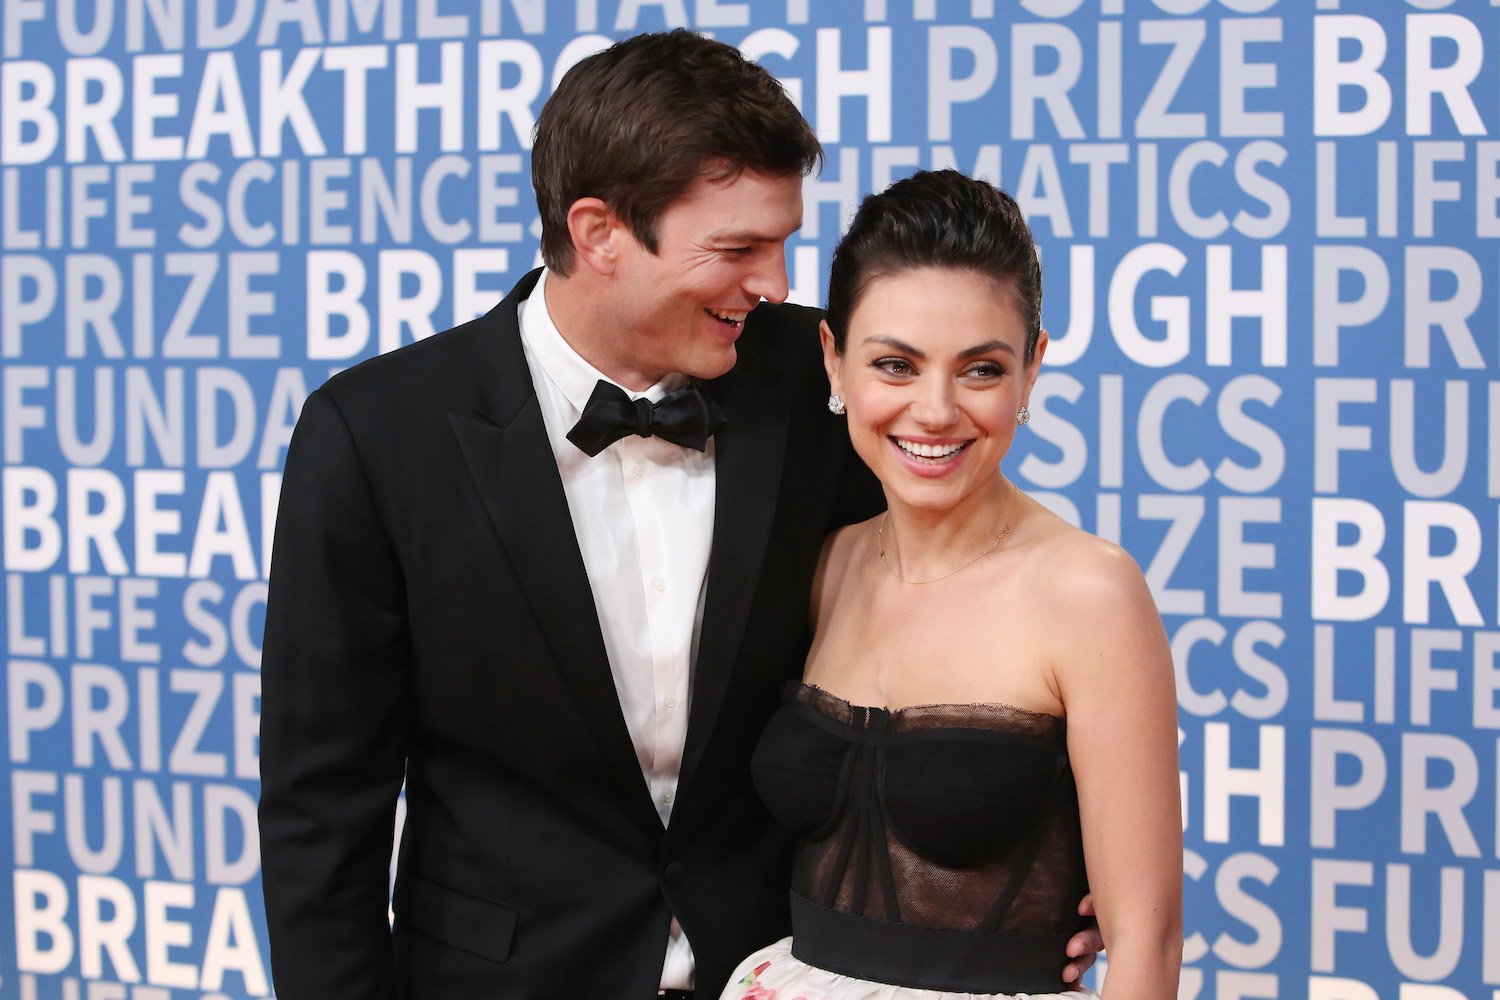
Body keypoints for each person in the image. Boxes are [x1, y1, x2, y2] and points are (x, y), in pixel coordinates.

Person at [258, 31, 1104, 999]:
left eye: (784, 241)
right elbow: (321, 820)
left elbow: (963, 603)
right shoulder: (375, 438)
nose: (777, 284)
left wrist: (1040, 879)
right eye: (738, 248)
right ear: (599, 232)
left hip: (779, 973)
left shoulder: (820, 381)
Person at [720, 170, 1183, 1000]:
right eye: (895, 365)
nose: (934, 411)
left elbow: (1146, 944)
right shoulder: (827, 565)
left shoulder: (1088, 593)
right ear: (833, 360)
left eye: (980, 370)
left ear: (1032, 369)